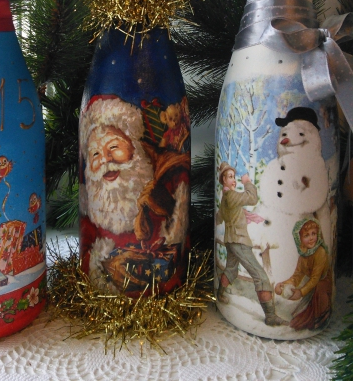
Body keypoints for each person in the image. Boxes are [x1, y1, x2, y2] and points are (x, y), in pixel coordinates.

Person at [79, 95, 190, 293]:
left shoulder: (169, 174)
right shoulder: (92, 214)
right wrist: (106, 267)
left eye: (114, 146)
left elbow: (178, 245)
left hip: (162, 294)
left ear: (134, 146)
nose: (105, 159)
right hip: (106, 300)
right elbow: (88, 255)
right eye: (95, 153)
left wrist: (168, 207)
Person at [216, 161, 287, 327]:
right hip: (238, 241)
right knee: (260, 275)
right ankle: (270, 316)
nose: (234, 180)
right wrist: (247, 182)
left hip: (231, 240)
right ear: (224, 180)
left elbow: (220, 216)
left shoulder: (226, 197)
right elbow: (252, 198)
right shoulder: (231, 196)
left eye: (234, 177)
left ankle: (219, 294)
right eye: (230, 177)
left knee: (231, 269)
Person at [275, 217, 332, 331]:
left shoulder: (320, 252)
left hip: (321, 283)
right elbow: (297, 276)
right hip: (310, 284)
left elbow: (315, 278)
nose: (311, 238)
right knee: (291, 313)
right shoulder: (303, 255)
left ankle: (319, 318)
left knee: (303, 319)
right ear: (299, 239)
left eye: (313, 234)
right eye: (306, 235)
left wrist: (301, 292)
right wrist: (283, 284)